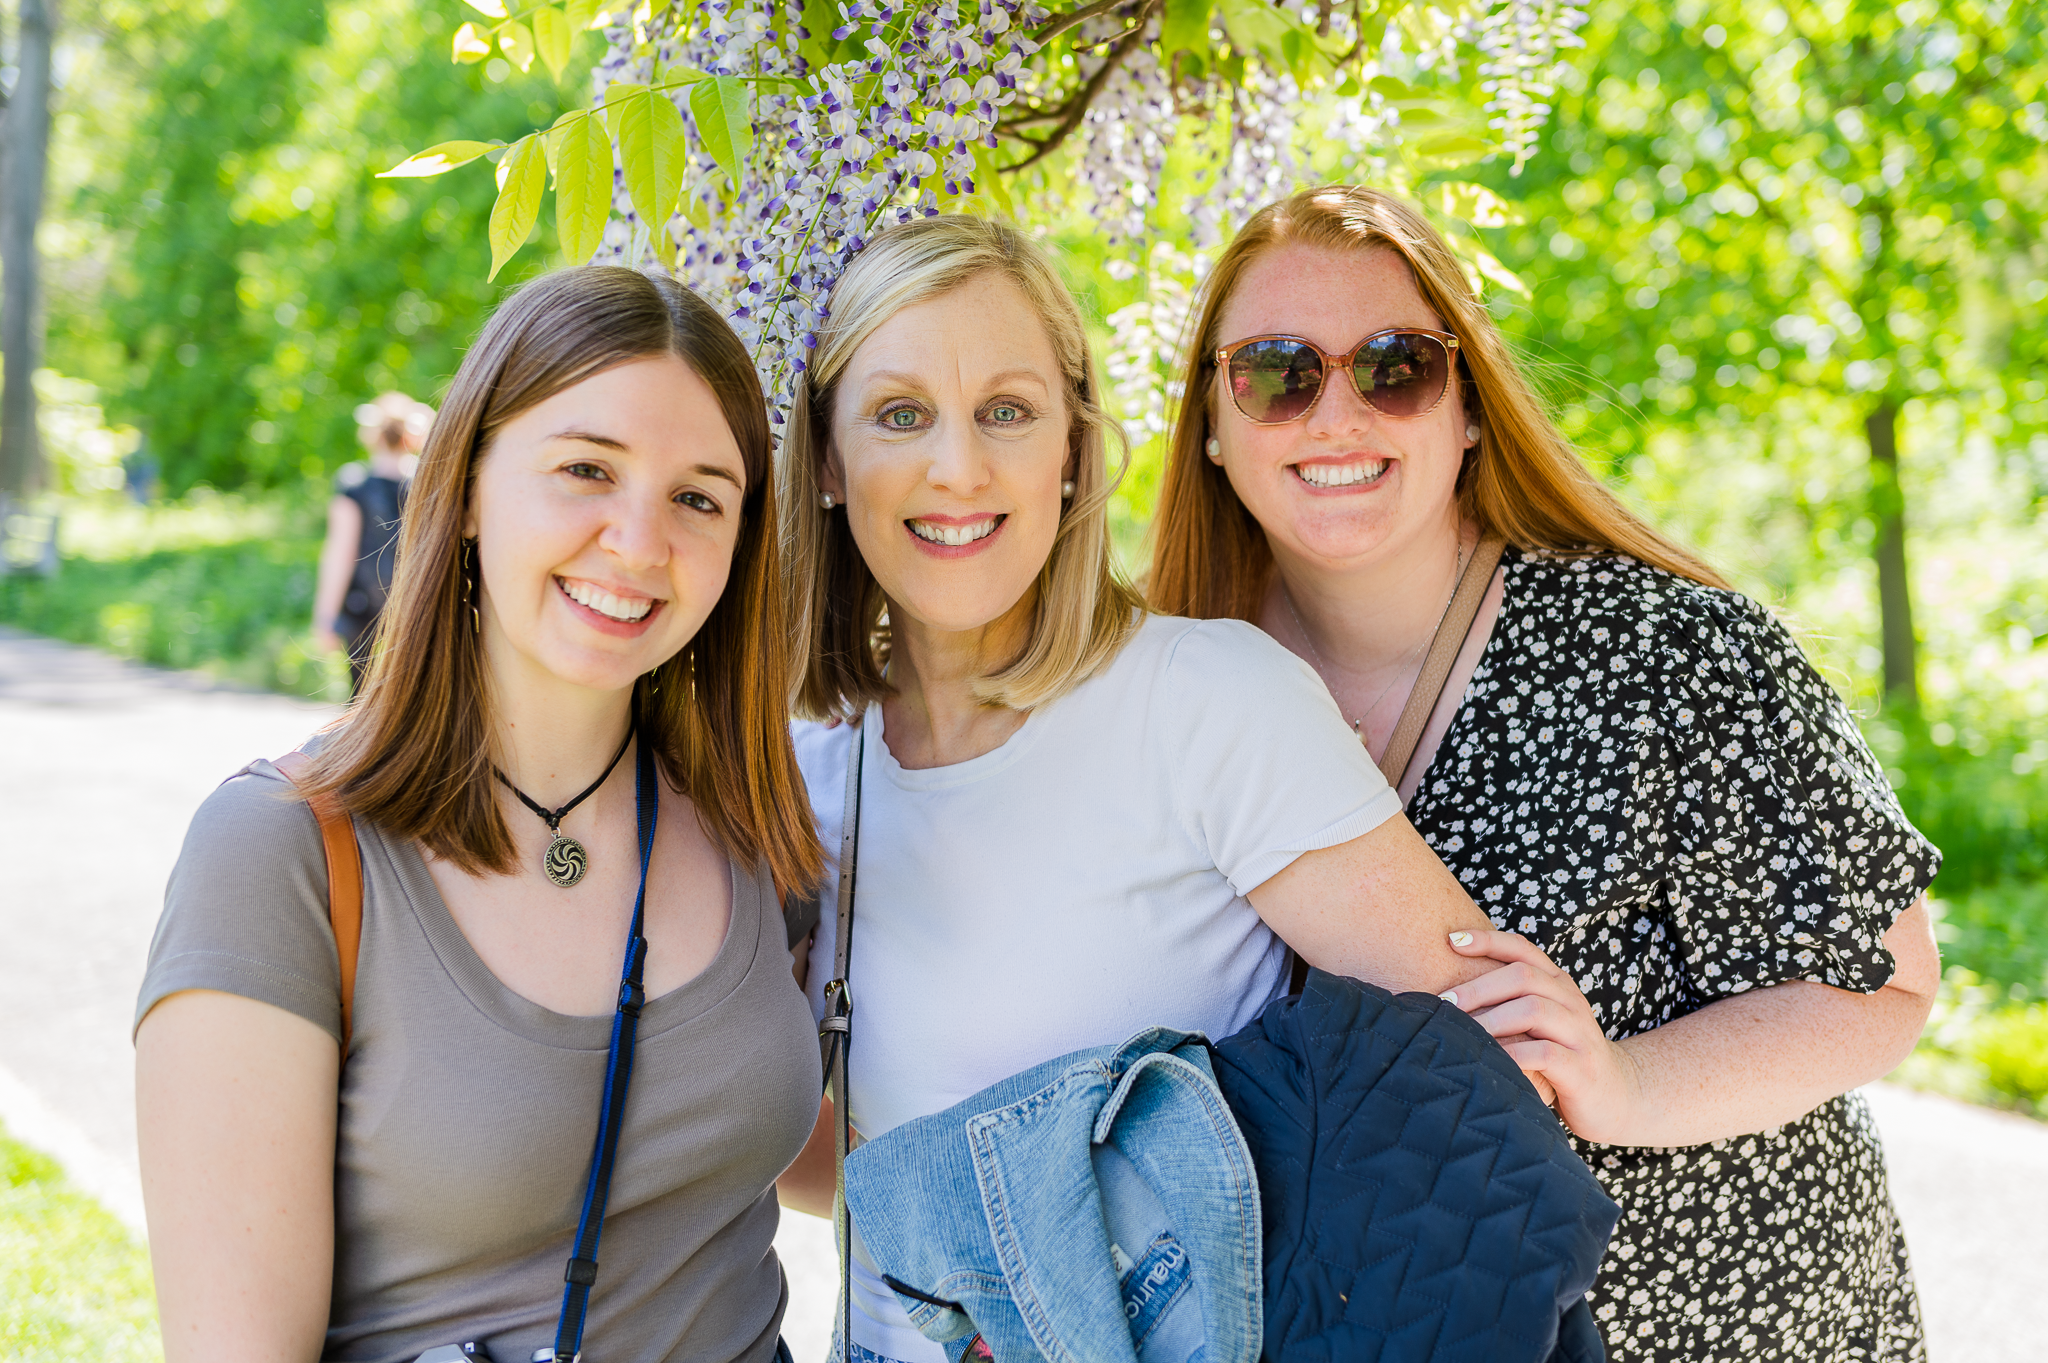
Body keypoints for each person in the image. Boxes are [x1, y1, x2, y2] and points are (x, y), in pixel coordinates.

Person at [1146, 184, 1941, 1362]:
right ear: (1212, 420)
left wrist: (1627, 1083)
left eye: (1395, 367)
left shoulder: (1664, 649)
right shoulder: (1168, 689)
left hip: (1730, 1316)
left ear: (1465, 405)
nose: (1335, 413)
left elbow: (1883, 982)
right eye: (1276, 373)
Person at [769, 215, 1504, 1363]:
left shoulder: (1209, 701)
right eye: (899, 414)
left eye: (1006, 411)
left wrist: (1111, 1280)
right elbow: (835, 1159)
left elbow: (1475, 1072)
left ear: (1071, 447)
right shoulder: (808, 762)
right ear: (826, 458)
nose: (956, 466)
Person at [135, 266, 824, 1363]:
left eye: (698, 495)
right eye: (585, 469)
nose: (640, 542)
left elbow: (824, 1152)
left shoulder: (763, 833)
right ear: (461, 491)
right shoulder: (281, 855)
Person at [314, 391, 427, 694]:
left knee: (360, 700)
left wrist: (325, 616)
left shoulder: (354, 484)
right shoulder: (428, 481)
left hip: (362, 607)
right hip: (416, 604)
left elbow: (341, 552)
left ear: (373, 436)